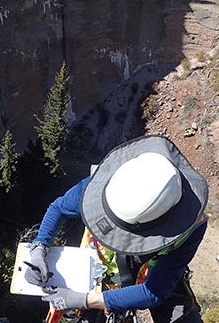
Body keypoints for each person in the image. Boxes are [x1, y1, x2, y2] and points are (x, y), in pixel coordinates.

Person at [25, 135, 209, 323]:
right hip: (95, 261)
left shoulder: (192, 226)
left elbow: (155, 291)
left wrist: (86, 300)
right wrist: (40, 246)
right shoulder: (105, 183)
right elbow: (58, 208)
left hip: (153, 266)